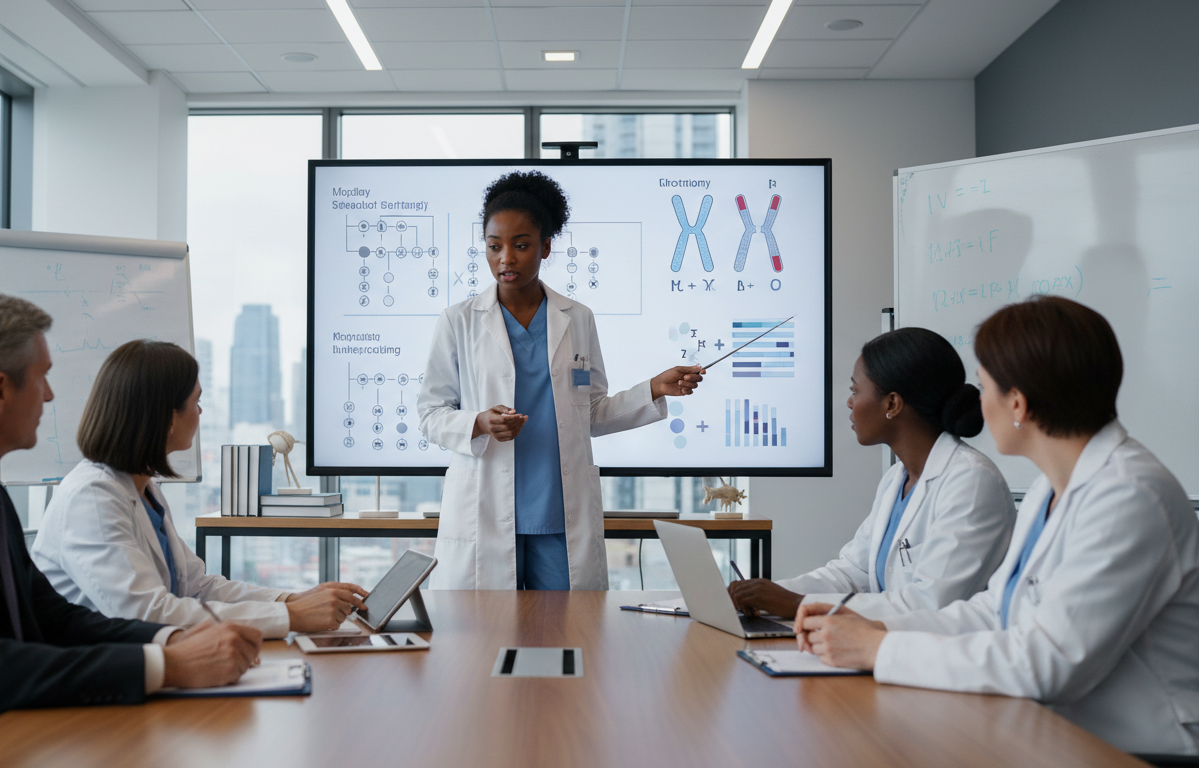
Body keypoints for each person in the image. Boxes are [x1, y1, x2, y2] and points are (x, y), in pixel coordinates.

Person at [0, 291, 262, 767]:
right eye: (42, 377)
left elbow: (56, 619)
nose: (50, 394)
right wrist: (166, 665)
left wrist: (169, 641)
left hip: (7, 735)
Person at [796, 296, 1199, 756]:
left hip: (1141, 749)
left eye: (984, 387)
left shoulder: (1129, 495)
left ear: (1018, 404)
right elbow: (994, 611)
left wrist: (879, 650)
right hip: (1057, 732)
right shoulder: (1054, 488)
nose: (977, 404)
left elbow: (1046, 663)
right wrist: (881, 631)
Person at [418, 171, 703, 590]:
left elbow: (590, 412)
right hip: (487, 508)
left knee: (566, 636)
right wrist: (479, 422)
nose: (506, 259)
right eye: (494, 247)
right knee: (484, 641)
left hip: (559, 512)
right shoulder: (458, 321)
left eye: (521, 245)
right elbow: (430, 414)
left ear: (546, 246)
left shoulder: (577, 317)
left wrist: (653, 389)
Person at [33, 340, 368, 637]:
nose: (201, 411)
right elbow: (147, 613)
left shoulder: (142, 488)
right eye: (196, 401)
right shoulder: (91, 497)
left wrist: (295, 600)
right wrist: (290, 616)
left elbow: (196, 586)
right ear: (168, 417)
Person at [728, 328, 1015, 620]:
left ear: (892, 403)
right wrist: (768, 594)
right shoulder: (896, 479)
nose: (850, 402)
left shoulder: (971, 481)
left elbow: (930, 604)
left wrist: (798, 605)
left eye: (855, 390)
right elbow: (854, 573)